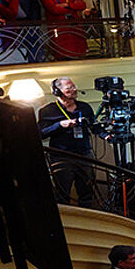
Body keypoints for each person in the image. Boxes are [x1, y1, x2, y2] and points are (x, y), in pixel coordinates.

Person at [38, 77, 98, 205]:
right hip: (62, 157)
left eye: (74, 86)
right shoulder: (48, 111)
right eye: (69, 88)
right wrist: (60, 125)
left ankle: (87, 215)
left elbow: (94, 126)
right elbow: (41, 133)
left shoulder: (84, 107)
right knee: (62, 194)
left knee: (87, 193)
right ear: (57, 91)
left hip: (84, 155)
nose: (74, 90)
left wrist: (107, 135)